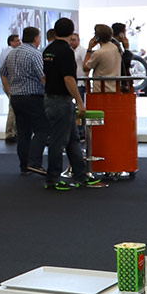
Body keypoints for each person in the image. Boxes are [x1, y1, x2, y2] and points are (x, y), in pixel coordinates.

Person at [42, 18, 104, 191]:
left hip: (51, 98)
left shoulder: (48, 50)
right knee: (58, 141)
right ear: (71, 32)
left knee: (72, 140)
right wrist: (79, 101)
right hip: (61, 100)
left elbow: (45, 76)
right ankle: (53, 179)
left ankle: (81, 175)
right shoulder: (66, 51)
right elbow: (68, 78)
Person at [0, 26, 47, 175]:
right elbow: (43, 76)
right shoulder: (35, 54)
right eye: (39, 37)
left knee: (23, 133)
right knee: (42, 129)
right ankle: (35, 162)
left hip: (16, 97)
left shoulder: (12, 53)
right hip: (33, 97)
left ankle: (24, 166)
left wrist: (9, 90)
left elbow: (3, 73)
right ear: (35, 38)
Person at [83, 23, 122, 93]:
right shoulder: (116, 48)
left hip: (101, 90)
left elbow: (85, 68)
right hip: (115, 88)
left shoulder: (99, 53)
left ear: (97, 37)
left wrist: (89, 49)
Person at [0, 34, 21, 141]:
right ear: (11, 42)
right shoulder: (12, 53)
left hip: (8, 83)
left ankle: (13, 131)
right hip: (11, 83)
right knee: (13, 108)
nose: (19, 43)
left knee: (14, 107)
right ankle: (11, 132)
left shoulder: (5, 52)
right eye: (17, 41)